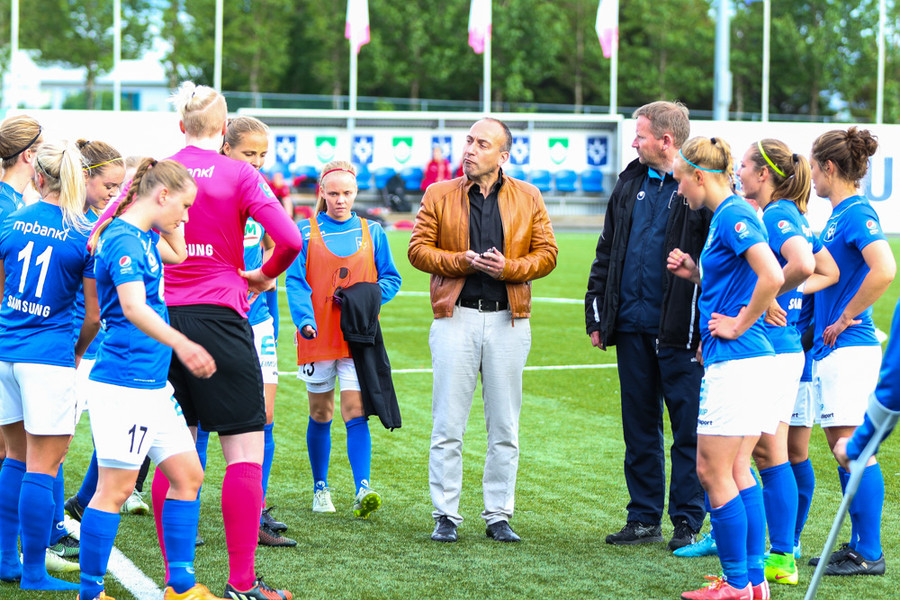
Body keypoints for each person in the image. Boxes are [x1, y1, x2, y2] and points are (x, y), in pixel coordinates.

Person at [103, 81, 301, 600]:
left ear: (181, 126)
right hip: (220, 317)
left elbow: (104, 227)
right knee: (244, 452)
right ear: (225, 129)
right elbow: (290, 239)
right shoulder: (240, 173)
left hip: (161, 320)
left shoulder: (160, 169)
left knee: (176, 449)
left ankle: (178, 579)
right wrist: (263, 276)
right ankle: (242, 583)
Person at [409, 117, 558, 543]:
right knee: (447, 425)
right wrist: (461, 261)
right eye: (468, 141)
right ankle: (445, 515)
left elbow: (548, 254)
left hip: (509, 320)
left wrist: (509, 268)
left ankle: (498, 516)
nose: (470, 150)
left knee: (505, 427)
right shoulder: (438, 193)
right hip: (454, 317)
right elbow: (417, 250)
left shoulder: (528, 195)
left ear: (503, 156)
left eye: (481, 144)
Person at [79, 158, 221, 600]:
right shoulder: (123, 238)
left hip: (153, 384)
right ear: (161, 195)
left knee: (188, 476)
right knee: (115, 489)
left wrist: (169, 215)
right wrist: (183, 344)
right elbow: (134, 307)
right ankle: (91, 591)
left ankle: (181, 586)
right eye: (185, 206)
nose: (187, 217)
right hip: (126, 382)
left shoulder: (143, 235)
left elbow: (179, 253)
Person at [584, 101, 709, 550]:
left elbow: (721, 263)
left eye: (640, 135)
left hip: (682, 331)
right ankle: (642, 517)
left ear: (665, 140)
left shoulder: (700, 187)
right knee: (638, 426)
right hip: (632, 326)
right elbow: (607, 250)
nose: (634, 143)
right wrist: (597, 313)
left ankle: (688, 521)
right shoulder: (629, 182)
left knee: (688, 431)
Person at [668, 136, 784, 600]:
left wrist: (737, 323)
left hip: (739, 361)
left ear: (699, 175)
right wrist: (698, 276)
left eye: (680, 179)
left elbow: (773, 274)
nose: (678, 189)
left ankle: (737, 583)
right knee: (736, 470)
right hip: (742, 361)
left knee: (711, 471)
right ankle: (752, 583)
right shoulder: (728, 214)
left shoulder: (734, 213)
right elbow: (741, 278)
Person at [737, 138, 839, 586]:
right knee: (766, 451)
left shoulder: (777, 213)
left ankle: (776, 555)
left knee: (763, 452)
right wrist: (782, 291)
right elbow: (828, 271)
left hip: (774, 348)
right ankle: (779, 554)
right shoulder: (790, 213)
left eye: (744, 165)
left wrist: (770, 294)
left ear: (764, 174)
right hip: (784, 348)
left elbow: (802, 264)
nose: (738, 173)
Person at [0, 140, 100, 592]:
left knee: (14, 459)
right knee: (43, 466)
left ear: (38, 177)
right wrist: (76, 351)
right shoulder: (85, 232)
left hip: (6, 352)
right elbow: (94, 316)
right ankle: (35, 572)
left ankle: (7, 559)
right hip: (48, 358)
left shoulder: (11, 220)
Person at [286, 159, 401, 517]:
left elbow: (391, 279)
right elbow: (295, 282)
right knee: (321, 413)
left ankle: (362, 488)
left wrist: (365, 300)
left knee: (356, 411)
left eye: (347, 193)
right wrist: (305, 321)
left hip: (357, 338)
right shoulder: (304, 233)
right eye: (334, 193)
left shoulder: (373, 232)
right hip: (317, 337)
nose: (341, 200)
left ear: (355, 193)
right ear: (322, 192)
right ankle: (320, 488)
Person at [805, 127, 895, 576]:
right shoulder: (840, 215)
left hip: (850, 348)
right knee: (843, 446)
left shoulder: (857, 213)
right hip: (834, 351)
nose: (810, 177)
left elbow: (885, 269)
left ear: (829, 167)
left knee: (853, 448)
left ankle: (869, 552)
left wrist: (845, 317)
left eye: (813, 167)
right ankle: (859, 545)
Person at [220, 115, 295, 547]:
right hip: (217, 316)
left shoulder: (260, 190)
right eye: (249, 153)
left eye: (263, 154)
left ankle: (257, 510)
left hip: (257, 318)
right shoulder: (210, 189)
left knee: (263, 417)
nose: (257, 162)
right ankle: (185, 504)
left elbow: (273, 244)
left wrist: (265, 285)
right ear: (225, 148)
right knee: (201, 420)